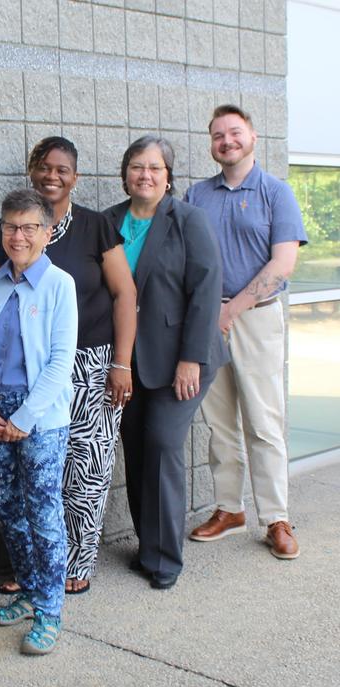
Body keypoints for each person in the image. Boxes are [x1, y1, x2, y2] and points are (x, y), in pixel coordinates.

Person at [0, 137, 137, 596]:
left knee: (85, 467)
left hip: (91, 364)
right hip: (27, 371)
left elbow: (125, 294)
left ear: (76, 177)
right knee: (28, 476)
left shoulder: (95, 227)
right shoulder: (7, 229)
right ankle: (30, 568)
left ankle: (76, 563)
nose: (52, 175)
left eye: (62, 169)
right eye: (44, 166)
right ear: (32, 170)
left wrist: (122, 363)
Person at [101, 136, 228, 590]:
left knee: (161, 444)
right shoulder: (110, 221)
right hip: (129, 360)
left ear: (168, 175)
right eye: (137, 166)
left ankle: (166, 558)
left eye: (155, 167)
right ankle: (147, 547)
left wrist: (191, 359)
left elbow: (206, 289)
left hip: (182, 358)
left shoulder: (188, 220)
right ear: (125, 174)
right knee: (135, 449)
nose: (146, 175)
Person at [185, 104, 307, 560]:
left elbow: (283, 263)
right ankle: (229, 509)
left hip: (256, 318)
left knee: (264, 421)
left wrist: (232, 309)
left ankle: (275, 517)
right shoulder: (198, 196)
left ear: (253, 137)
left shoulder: (276, 192)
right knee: (219, 423)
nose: (226, 141)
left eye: (234, 132)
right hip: (208, 320)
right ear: (212, 145)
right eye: (218, 135)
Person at [0, 189, 78, 655]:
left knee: (43, 513)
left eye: (29, 227)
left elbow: (59, 361)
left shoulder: (60, 286)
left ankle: (50, 611)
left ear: (47, 233)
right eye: (10, 226)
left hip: (40, 419)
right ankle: (30, 592)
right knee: (9, 510)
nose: (18, 236)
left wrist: (26, 418)